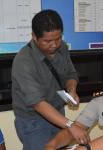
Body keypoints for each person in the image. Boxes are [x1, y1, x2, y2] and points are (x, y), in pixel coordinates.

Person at [11, 9, 80, 150]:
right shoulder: (24, 61)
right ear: (34, 37)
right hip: (33, 121)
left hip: (58, 113)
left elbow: (70, 75)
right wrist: (70, 125)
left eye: (58, 38)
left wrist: (72, 90)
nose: (54, 45)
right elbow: (38, 104)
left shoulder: (63, 48)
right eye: (47, 41)